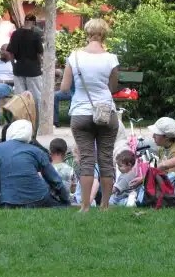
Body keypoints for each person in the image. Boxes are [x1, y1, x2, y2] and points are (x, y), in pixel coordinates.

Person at [60, 18, 119, 212]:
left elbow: (65, 87)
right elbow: (113, 87)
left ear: (87, 33)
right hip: (106, 112)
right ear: (104, 35)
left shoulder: (75, 57)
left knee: (86, 159)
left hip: (81, 112)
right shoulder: (111, 58)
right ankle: (105, 206)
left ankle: (85, 206)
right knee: (106, 158)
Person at [0, 120, 70, 208]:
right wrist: (66, 201)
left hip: (9, 202)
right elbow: (55, 181)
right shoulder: (37, 151)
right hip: (39, 199)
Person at [7, 14, 43, 125]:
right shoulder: (36, 35)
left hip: (19, 69)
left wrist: (14, 65)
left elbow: (10, 53)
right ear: (33, 23)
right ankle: (37, 121)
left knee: (20, 97)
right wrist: (40, 65)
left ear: (25, 21)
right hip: (33, 70)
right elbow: (39, 54)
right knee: (36, 97)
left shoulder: (15, 34)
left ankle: (20, 122)